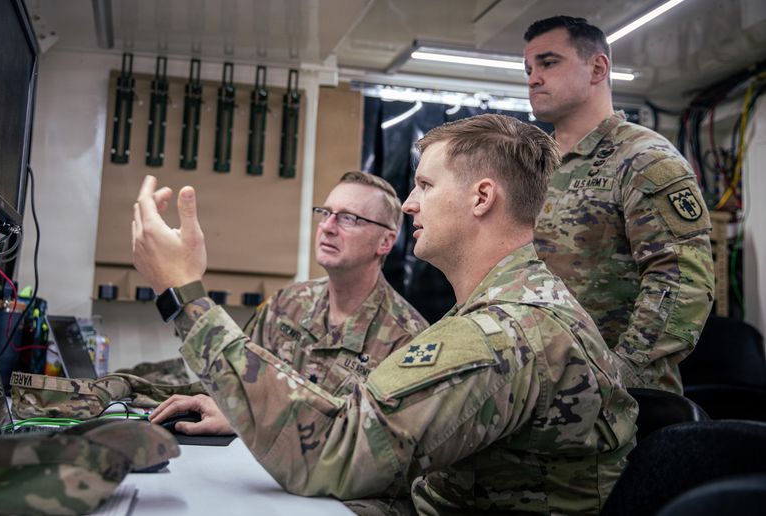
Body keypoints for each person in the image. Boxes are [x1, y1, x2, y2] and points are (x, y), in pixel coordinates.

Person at [132, 114, 637, 514]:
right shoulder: (518, 309)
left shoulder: (501, 334)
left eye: (425, 185)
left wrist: (182, 293)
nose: (411, 204)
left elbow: (335, 451)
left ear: (482, 197)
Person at [150, 172, 428, 435]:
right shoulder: (287, 304)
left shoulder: (408, 339)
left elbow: (373, 446)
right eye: (325, 213)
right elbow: (238, 384)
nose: (328, 228)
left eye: (348, 218)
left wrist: (246, 421)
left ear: (385, 241)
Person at [523, 16, 715, 394]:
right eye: (528, 68)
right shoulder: (530, 165)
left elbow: (683, 282)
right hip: (535, 386)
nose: (532, 78)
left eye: (548, 63)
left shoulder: (643, 158)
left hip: (615, 405)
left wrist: (620, 375)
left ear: (597, 67)